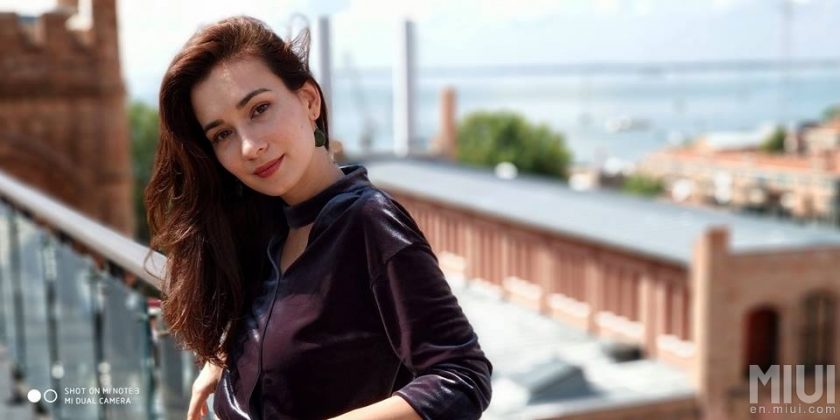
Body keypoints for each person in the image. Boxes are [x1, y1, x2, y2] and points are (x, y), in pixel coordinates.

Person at [145, 16, 492, 420]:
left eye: (259, 109)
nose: (249, 147)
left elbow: (463, 376)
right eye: (222, 134)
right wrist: (228, 359)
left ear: (309, 101)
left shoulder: (369, 223)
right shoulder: (268, 223)